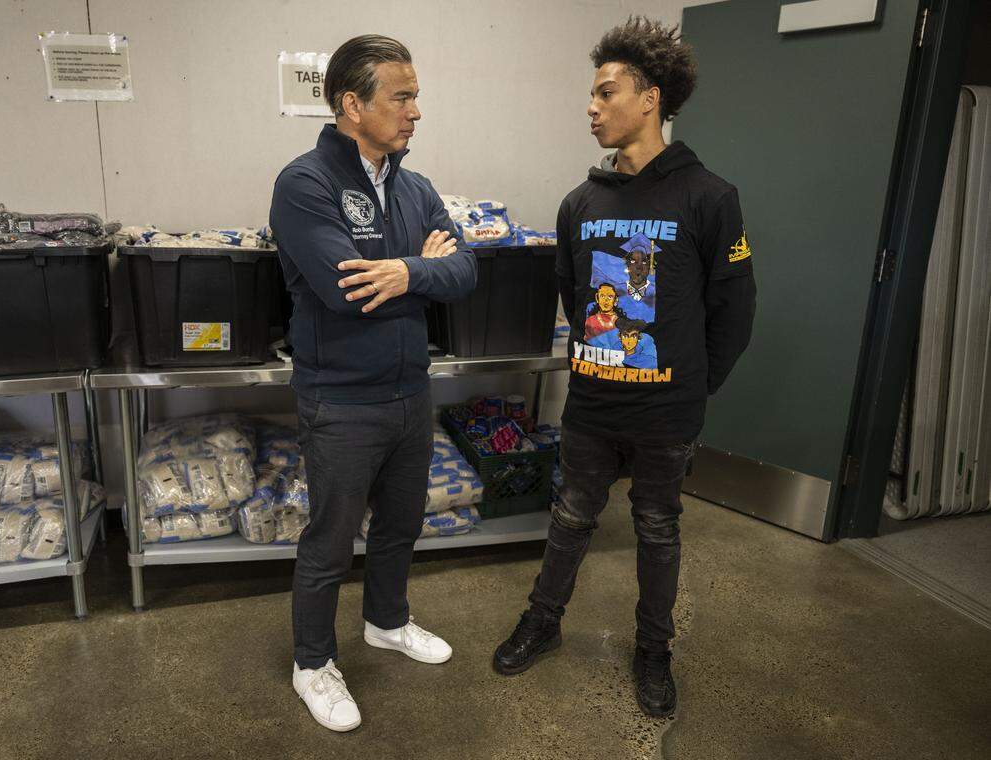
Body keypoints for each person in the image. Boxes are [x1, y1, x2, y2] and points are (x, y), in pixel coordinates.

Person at [492, 17, 756, 719]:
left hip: (668, 409)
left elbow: (733, 311)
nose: (591, 106)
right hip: (594, 405)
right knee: (572, 516)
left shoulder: (709, 197)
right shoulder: (580, 204)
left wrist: (696, 386)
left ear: (651, 98)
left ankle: (653, 650)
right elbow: (576, 300)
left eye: (607, 92)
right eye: (592, 94)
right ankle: (542, 622)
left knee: (657, 528)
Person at [269, 34, 477, 733]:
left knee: (400, 525)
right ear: (351, 104)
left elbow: (466, 273)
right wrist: (419, 269)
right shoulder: (305, 184)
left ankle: (387, 622)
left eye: (415, 95)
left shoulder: (416, 188)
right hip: (341, 399)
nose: (416, 111)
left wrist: (406, 272)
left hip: (410, 393)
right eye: (402, 96)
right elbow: (343, 289)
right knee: (330, 542)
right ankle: (312, 663)